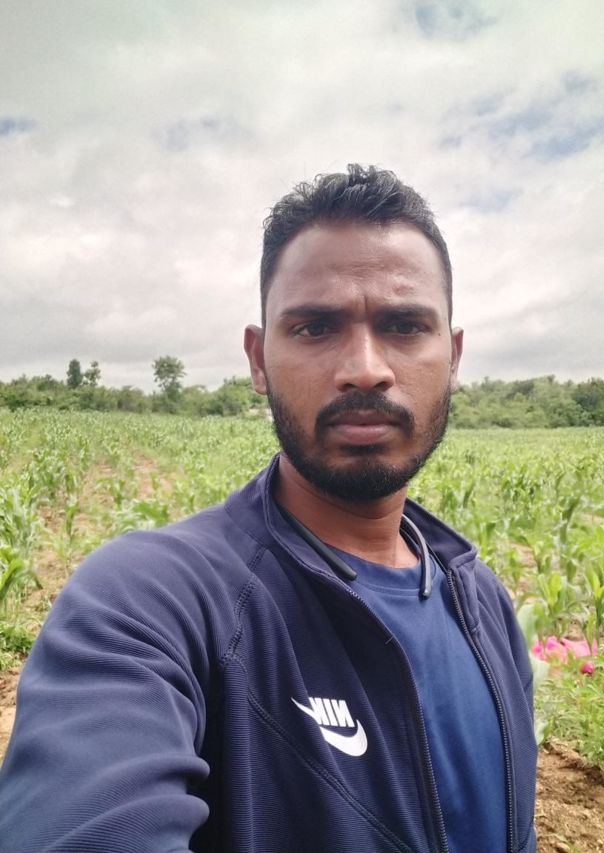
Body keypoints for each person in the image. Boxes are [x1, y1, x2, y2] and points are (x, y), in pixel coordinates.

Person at [0, 165, 537, 852]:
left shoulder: (483, 603)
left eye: (405, 325)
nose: (365, 368)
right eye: (315, 327)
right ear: (258, 359)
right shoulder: (154, 600)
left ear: (453, 357)